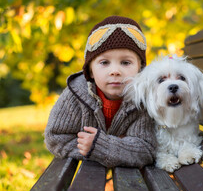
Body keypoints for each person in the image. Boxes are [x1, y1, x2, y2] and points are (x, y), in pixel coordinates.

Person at [44, 16, 156, 168]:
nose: (115, 71)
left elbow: (146, 149)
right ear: (90, 71)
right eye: (104, 62)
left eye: (126, 62)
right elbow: (55, 138)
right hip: (89, 165)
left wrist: (102, 147)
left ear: (140, 69)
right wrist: (88, 150)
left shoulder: (142, 101)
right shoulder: (75, 95)